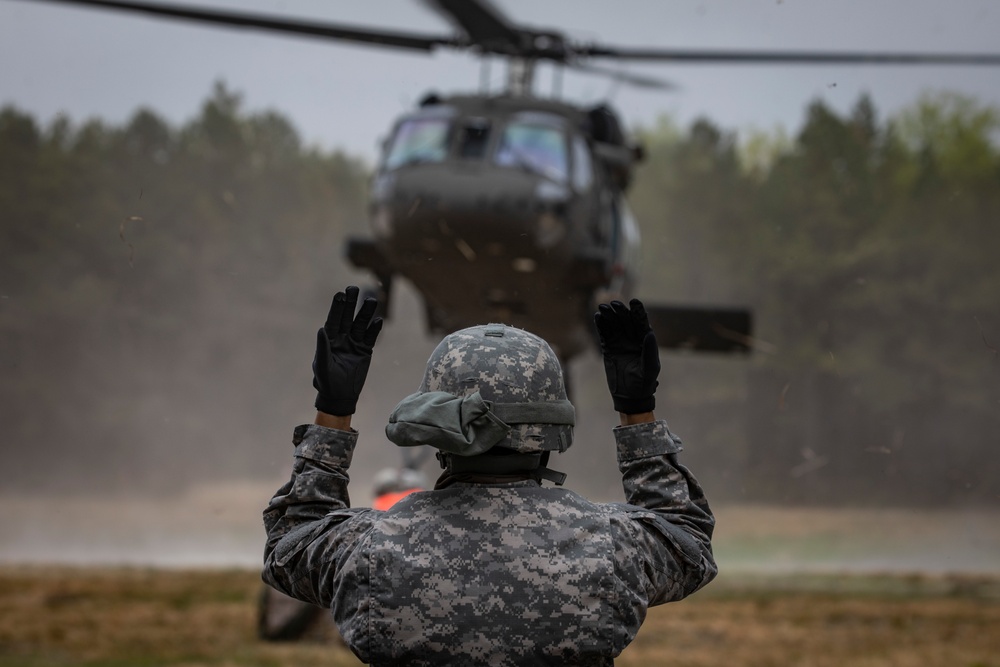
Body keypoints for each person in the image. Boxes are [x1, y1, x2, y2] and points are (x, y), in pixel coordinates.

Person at [262, 286, 717, 666]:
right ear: (551, 430)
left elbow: (293, 544)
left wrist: (333, 413)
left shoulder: (371, 547)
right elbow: (687, 541)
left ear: (436, 430)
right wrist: (637, 412)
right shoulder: (611, 546)